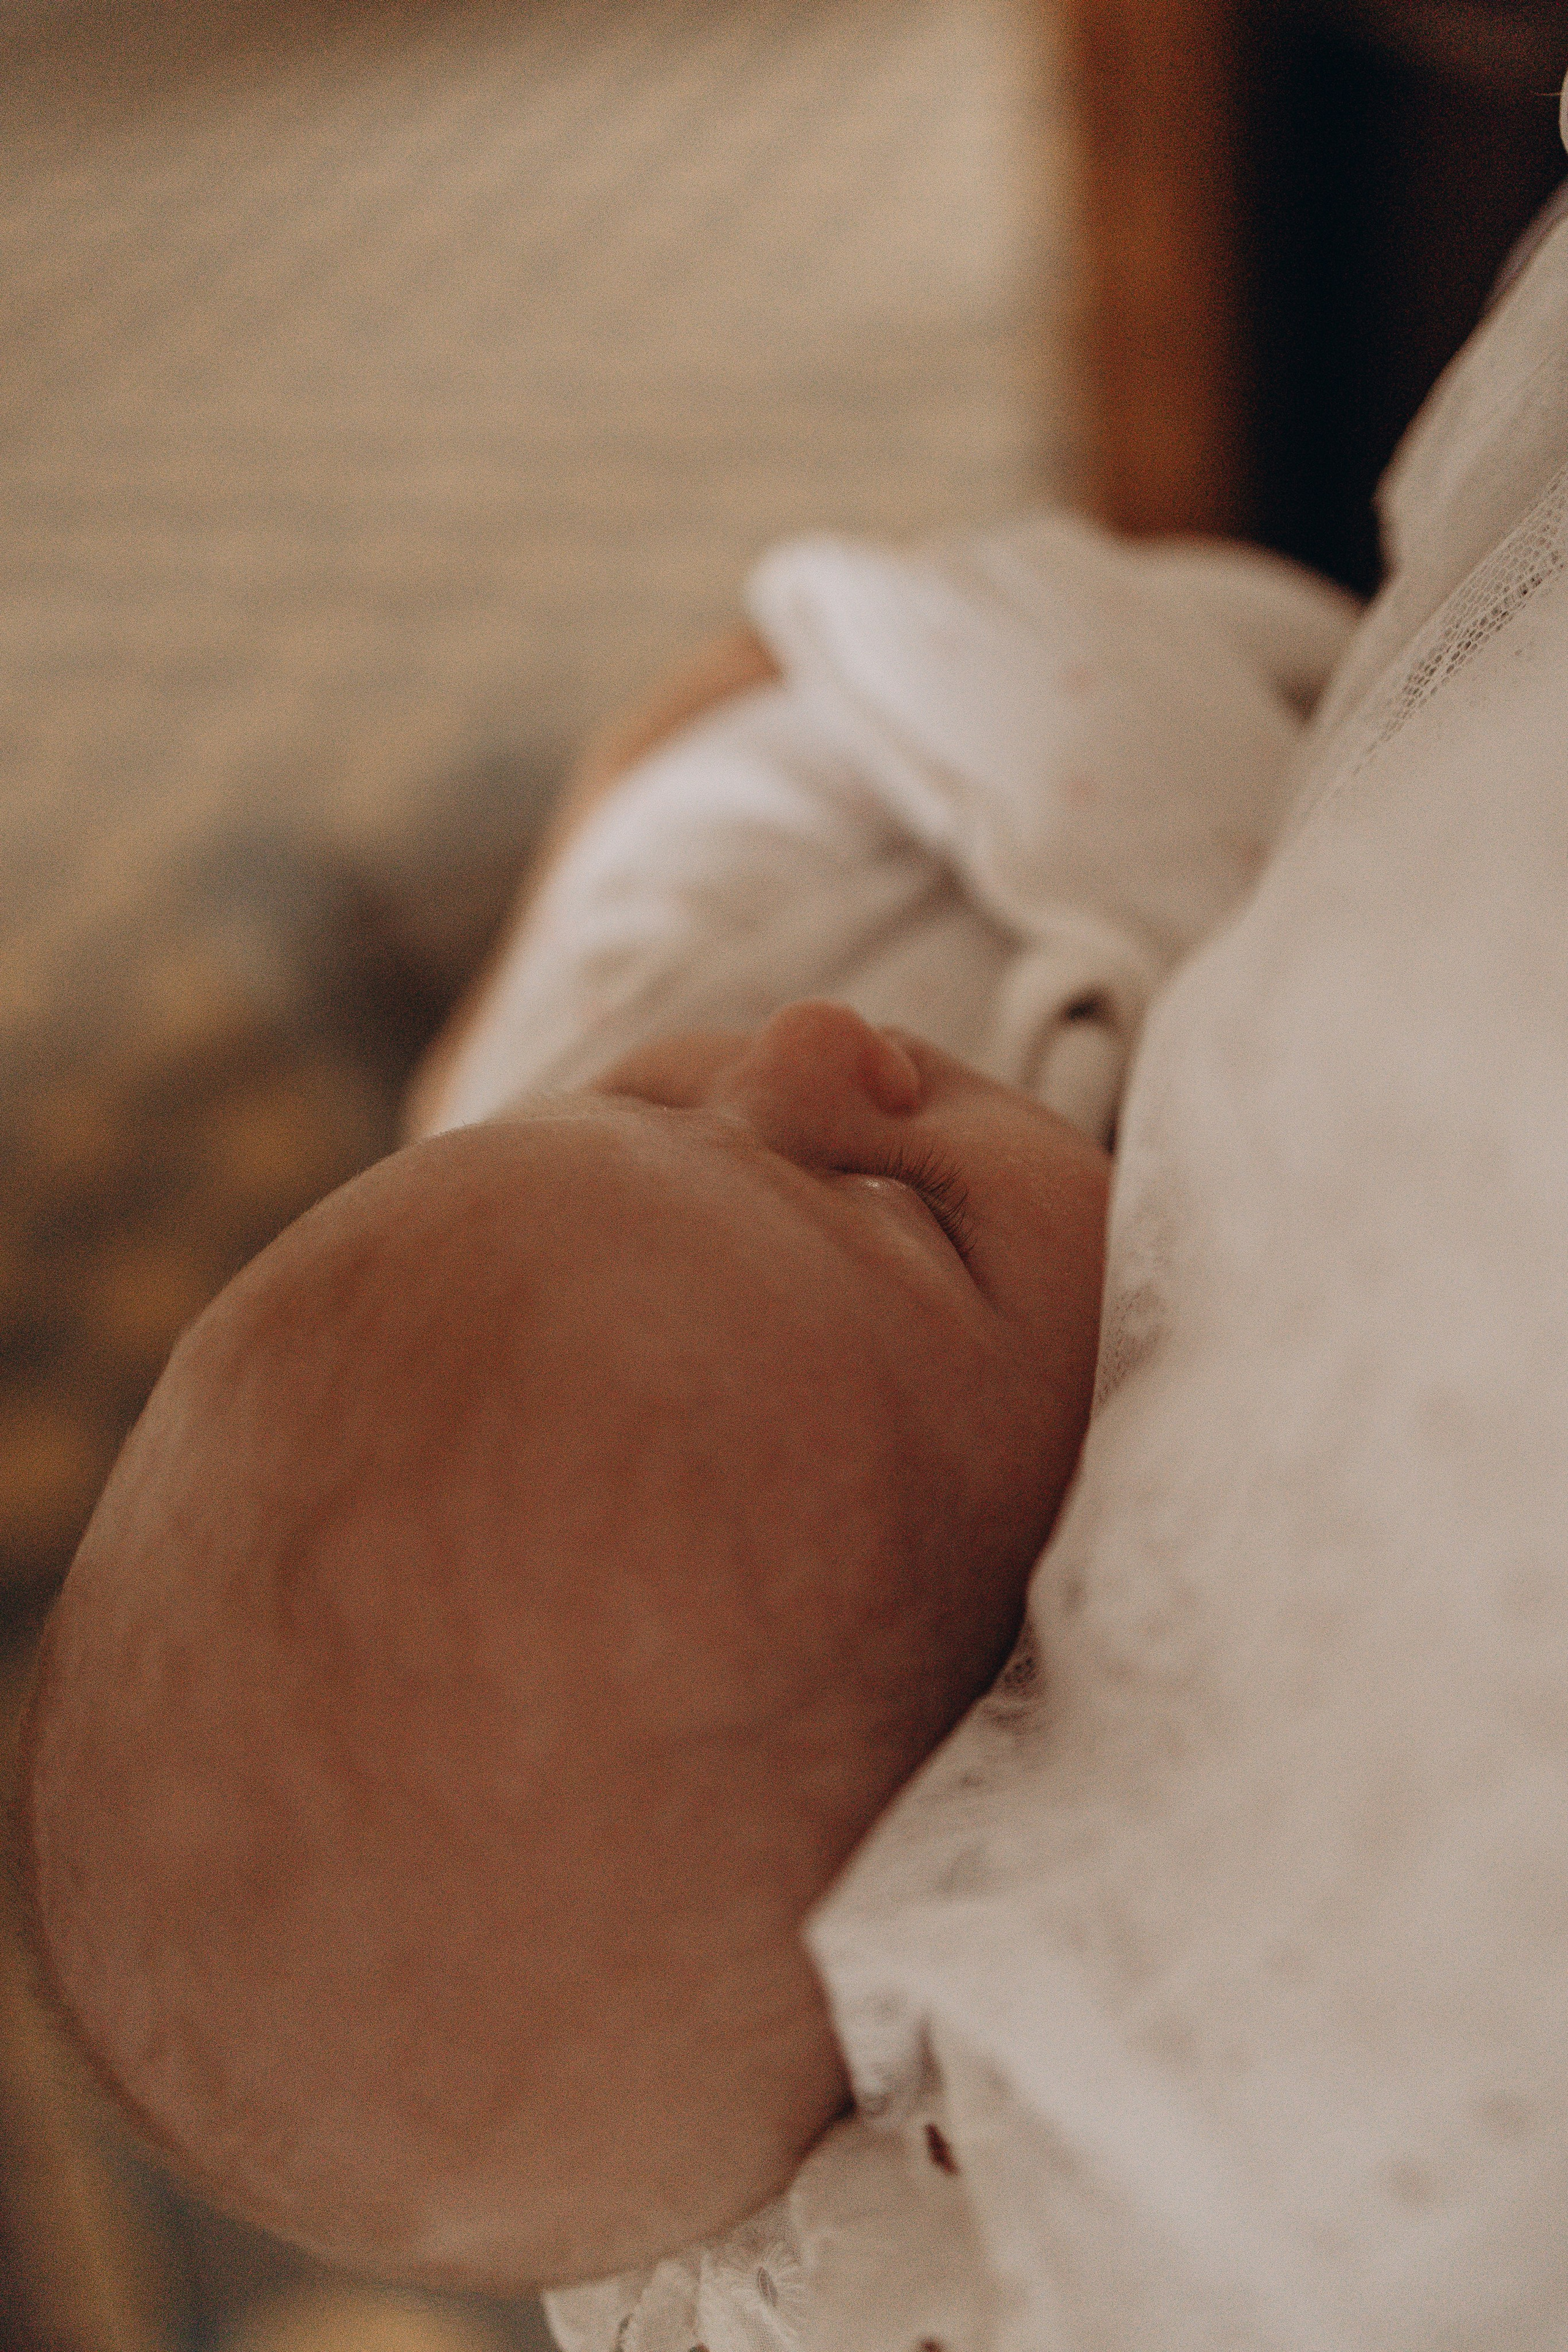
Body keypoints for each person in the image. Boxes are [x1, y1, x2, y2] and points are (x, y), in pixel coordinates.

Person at [16, 510, 1354, 2300]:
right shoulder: (1203, 1394)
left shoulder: (576, 1109)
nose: (810, 1044)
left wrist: (753, 703)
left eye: (652, 1105)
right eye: (908, 1208)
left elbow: (712, 751)